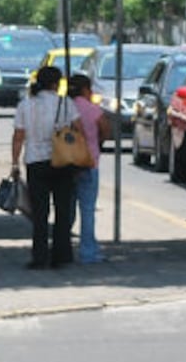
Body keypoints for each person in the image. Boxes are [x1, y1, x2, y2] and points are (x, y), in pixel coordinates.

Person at [11, 66, 81, 269]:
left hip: (35, 161)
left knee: (39, 213)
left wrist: (15, 162)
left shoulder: (26, 104)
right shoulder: (65, 103)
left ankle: (39, 256)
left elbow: (18, 136)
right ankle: (61, 254)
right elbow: (79, 128)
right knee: (62, 209)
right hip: (62, 160)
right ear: (56, 83)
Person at [68, 73, 112, 264]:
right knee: (87, 210)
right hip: (90, 162)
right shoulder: (92, 109)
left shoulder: (65, 107)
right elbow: (106, 130)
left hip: (67, 163)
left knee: (67, 209)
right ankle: (88, 252)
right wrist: (97, 141)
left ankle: (64, 248)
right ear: (86, 89)